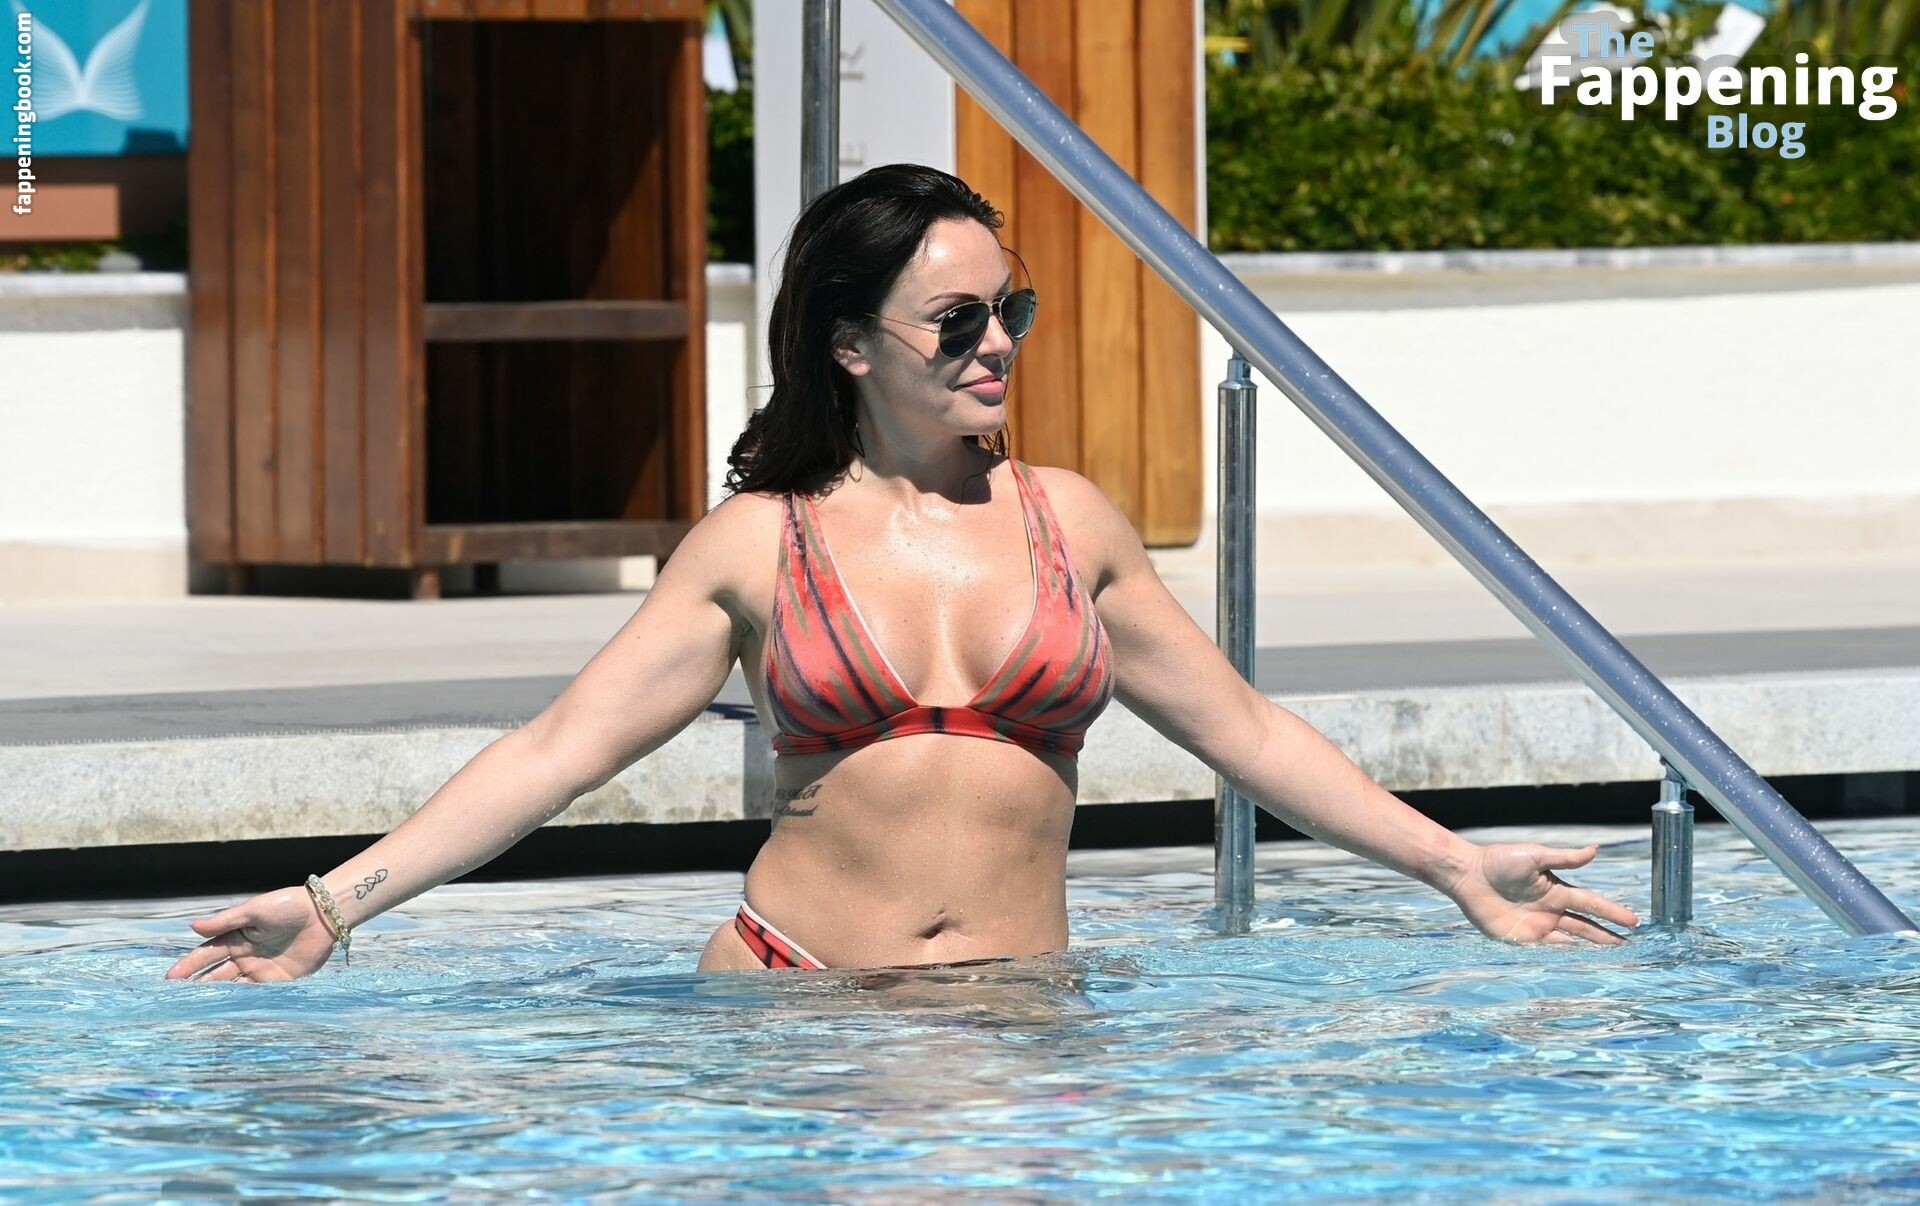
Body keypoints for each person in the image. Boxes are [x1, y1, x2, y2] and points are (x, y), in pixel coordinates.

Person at [164, 164, 1638, 984]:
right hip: (794, 1001)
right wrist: (335, 904)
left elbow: (1245, 732)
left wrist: (1454, 863)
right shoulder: (760, 541)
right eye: (955, 320)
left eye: (1011, 312)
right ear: (852, 345)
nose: (996, 343)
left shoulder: (1072, 525)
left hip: (1021, 1012)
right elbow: (556, 752)